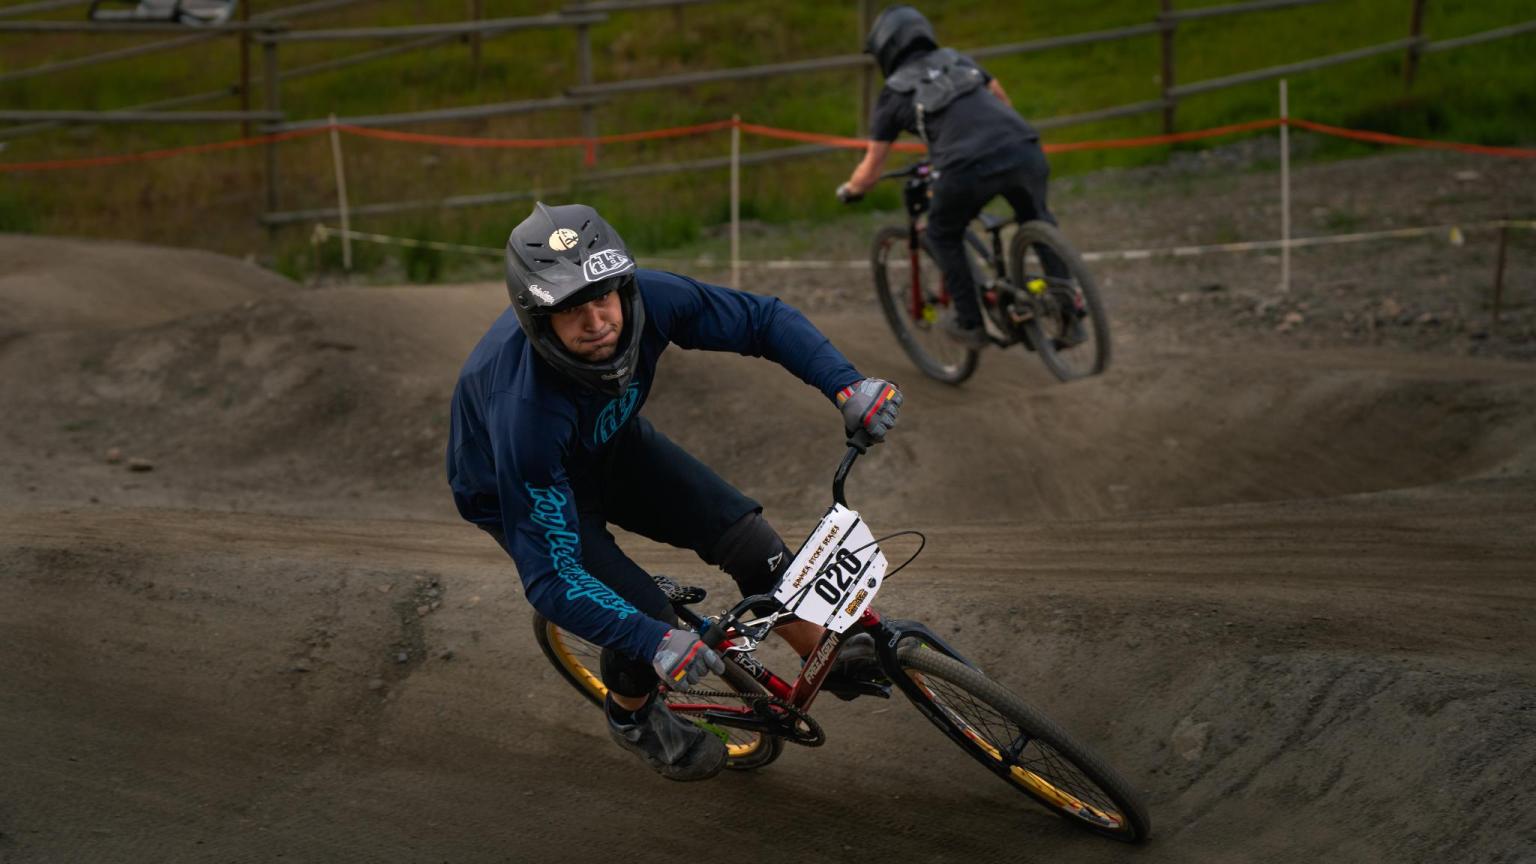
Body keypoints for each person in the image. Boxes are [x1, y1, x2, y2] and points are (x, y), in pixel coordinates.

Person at [447, 202, 902, 782]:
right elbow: (551, 578)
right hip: (525, 485)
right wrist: (653, 637)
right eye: (569, 310)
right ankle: (631, 716)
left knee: (748, 539)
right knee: (648, 624)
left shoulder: (650, 299)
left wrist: (847, 386)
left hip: (610, 443)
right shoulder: (525, 412)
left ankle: (820, 653)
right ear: (537, 320)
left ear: (622, 284)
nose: (595, 321)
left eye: (602, 296)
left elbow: (761, 320)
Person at [837, 4, 1061, 351]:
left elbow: (871, 168)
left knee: (942, 234)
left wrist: (851, 189)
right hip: (1022, 146)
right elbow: (1000, 99)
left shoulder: (894, 92)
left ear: (886, 50)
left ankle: (970, 322)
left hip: (965, 167)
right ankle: (1069, 308)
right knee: (1037, 216)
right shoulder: (958, 60)